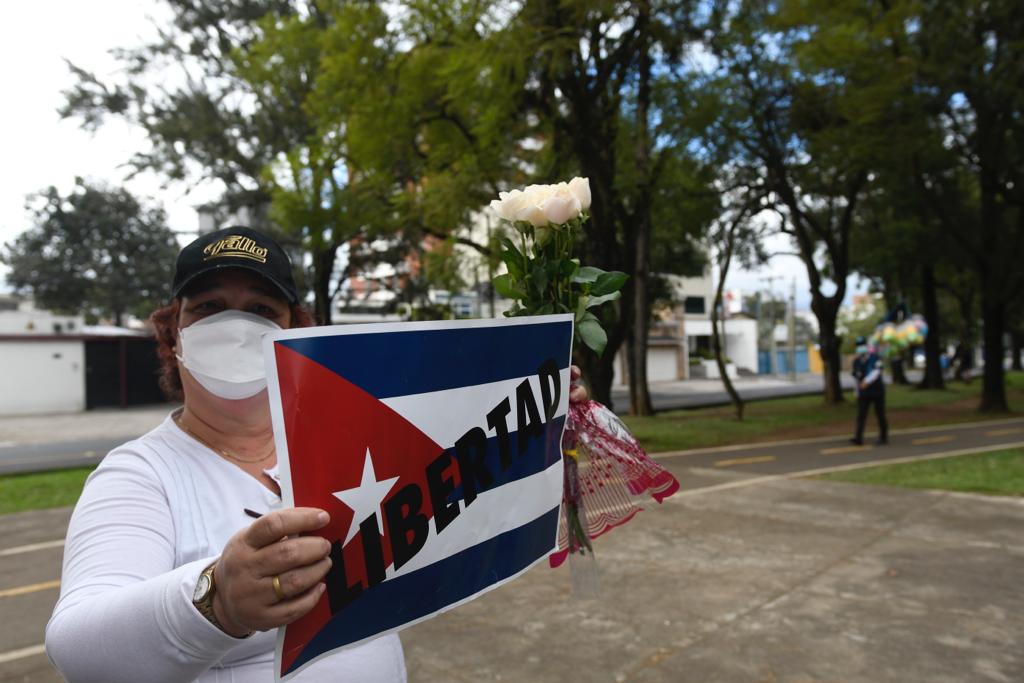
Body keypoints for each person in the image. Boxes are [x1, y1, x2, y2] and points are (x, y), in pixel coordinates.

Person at [46, 226, 586, 682]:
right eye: (209, 307)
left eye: (260, 308)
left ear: (293, 334)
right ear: (174, 335)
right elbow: (78, 646)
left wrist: (541, 415)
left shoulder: (352, 445)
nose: (233, 326)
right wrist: (217, 602)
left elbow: (463, 472)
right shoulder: (140, 474)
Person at [850, 335, 888, 446]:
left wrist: (866, 381)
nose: (860, 348)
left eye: (861, 345)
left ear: (866, 346)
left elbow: (877, 371)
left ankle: (883, 437)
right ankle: (858, 438)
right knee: (861, 415)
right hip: (864, 393)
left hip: (877, 392)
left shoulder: (875, 358)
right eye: (858, 346)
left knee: (880, 414)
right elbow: (856, 378)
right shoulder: (856, 361)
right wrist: (856, 391)